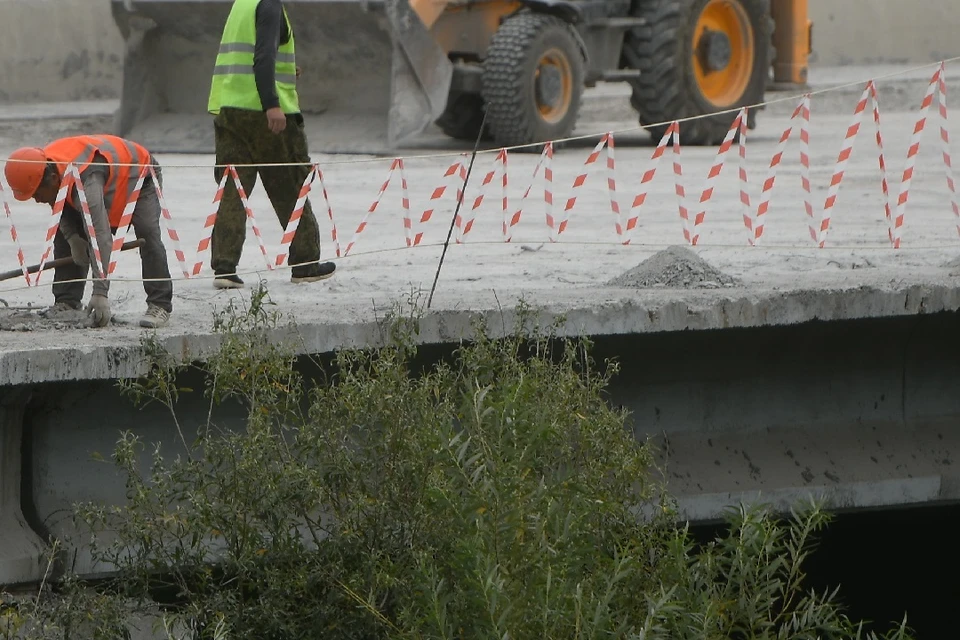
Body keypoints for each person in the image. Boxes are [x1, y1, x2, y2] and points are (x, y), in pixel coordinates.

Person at [207, 0, 336, 290]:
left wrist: (286, 72)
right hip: (263, 115)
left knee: (233, 188)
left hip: (230, 111)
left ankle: (224, 267)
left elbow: (256, 56)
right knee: (290, 183)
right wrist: (272, 104)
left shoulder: (242, 5)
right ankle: (305, 263)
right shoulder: (269, 6)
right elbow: (262, 57)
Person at [3, 135, 174, 329]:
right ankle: (67, 302)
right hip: (106, 177)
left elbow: (100, 236)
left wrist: (100, 293)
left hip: (142, 177)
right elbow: (57, 204)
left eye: (36, 194)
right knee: (65, 233)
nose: (36, 200)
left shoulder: (85, 181)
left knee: (147, 232)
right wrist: (72, 238)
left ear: (51, 179)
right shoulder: (46, 165)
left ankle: (159, 304)